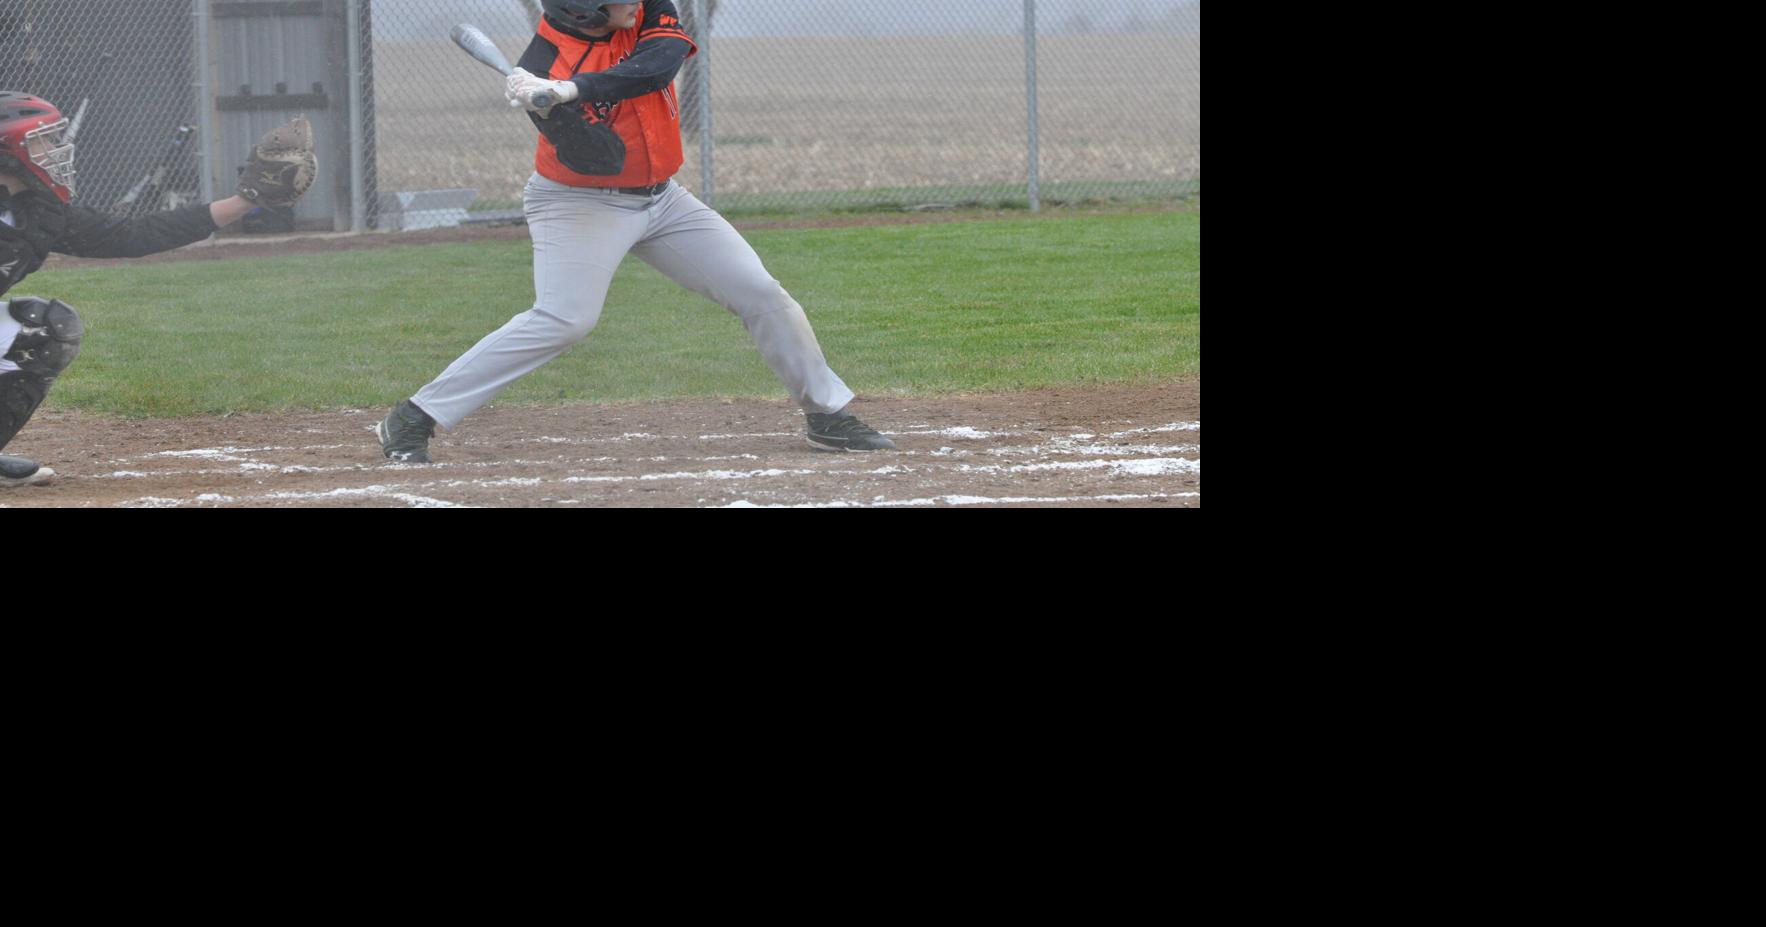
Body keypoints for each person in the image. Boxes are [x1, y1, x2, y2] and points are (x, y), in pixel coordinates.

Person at [376, 1, 894, 464]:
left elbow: (660, 63)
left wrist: (574, 89)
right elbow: (602, 157)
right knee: (564, 319)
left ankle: (827, 416)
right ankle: (416, 415)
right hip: (581, 203)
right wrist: (549, 105)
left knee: (760, 292)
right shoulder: (541, 66)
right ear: (583, 9)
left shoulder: (646, 13)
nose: (637, 2)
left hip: (665, 199)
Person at [0, 92, 313, 488]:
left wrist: (245, 201)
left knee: (48, 328)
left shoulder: (35, 209)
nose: (56, 150)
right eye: (42, 141)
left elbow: (132, 235)